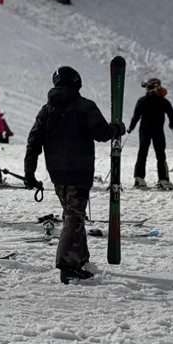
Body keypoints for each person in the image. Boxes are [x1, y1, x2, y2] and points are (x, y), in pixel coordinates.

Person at [24, 66, 125, 284]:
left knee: (73, 213)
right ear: (77, 82)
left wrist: (29, 173)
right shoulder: (85, 106)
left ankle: (80, 259)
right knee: (74, 215)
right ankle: (67, 266)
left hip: (57, 173)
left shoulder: (46, 110)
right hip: (79, 172)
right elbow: (102, 133)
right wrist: (116, 128)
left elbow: (33, 142)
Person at [129, 77, 173, 190]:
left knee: (142, 153)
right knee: (161, 155)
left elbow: (136, 116)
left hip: (144, 130)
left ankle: (139, 179)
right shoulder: (163, 101)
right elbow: (171, 114)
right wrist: (171, 124)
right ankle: (163, 180)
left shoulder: (142, 100)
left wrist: (131, 128)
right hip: (158, 131)